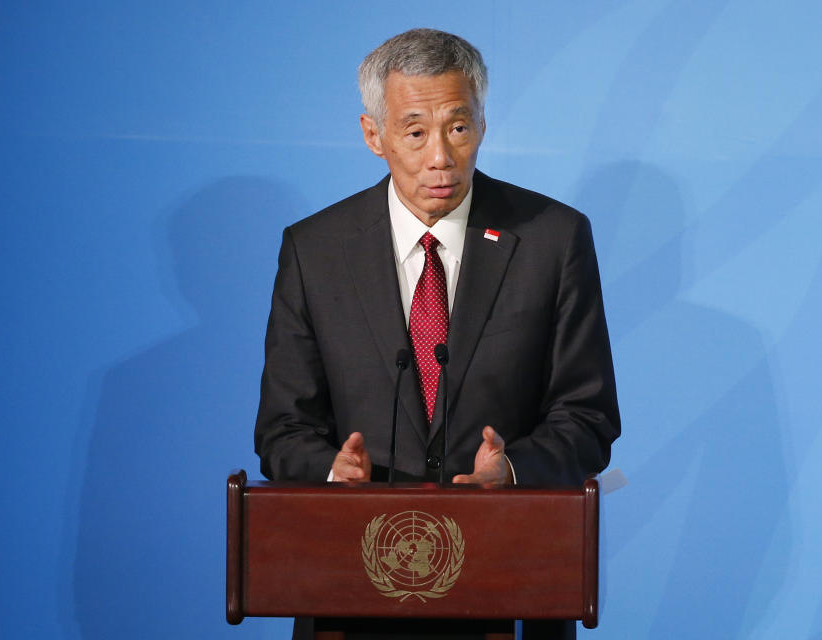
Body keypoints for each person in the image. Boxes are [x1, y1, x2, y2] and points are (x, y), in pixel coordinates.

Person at [254, 28, 620, 638]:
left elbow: (588, 415)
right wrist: (331, 472)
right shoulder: (315, 250)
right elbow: (281, 429)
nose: (441, 157)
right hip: (354, 584)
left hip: (510, 581)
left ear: (481, 123)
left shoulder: (553, 240)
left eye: (458, 126)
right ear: (375, 135)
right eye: (415, 131)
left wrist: (511, 470)